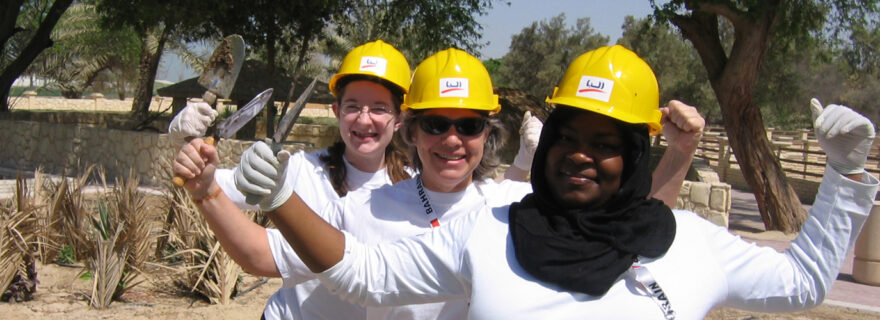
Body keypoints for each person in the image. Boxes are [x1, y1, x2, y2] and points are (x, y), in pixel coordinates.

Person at [234, 45, 879, 319]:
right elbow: (363, 272)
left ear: (635, 154)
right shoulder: (493, 234)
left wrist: (846, 175)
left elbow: (801, 284)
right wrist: (282, 198)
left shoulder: (687, 243)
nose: (579, 156)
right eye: (569, 136)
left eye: (606, 144)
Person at [177, 46, 705, 319]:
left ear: (487, 133)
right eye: (436, 124)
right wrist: (208, 190)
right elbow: (261, 256)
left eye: (469, 125)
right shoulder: (367, 209)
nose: (452, 140)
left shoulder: (514, 210)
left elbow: (633, 229)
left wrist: (678, 154)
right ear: (412, 130)